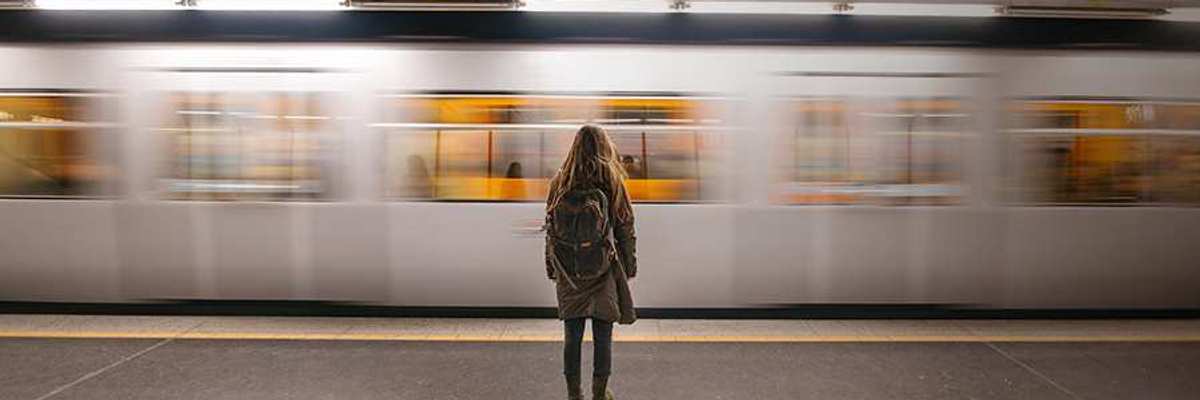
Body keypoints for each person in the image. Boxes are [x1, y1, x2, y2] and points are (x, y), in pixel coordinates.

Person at [544, 124, 638, 400]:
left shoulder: (559, 182)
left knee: (572, 335)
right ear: (604, 147)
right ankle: (599, 393)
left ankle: (574, 394)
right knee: (602, 333)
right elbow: (625, 228)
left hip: (568, 269)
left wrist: (552, 267)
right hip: (603, 269)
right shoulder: (612, 181)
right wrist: (629, 266)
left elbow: (550, 230)